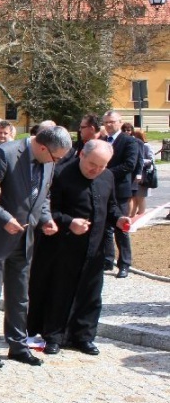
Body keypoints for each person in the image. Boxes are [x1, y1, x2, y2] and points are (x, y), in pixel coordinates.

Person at [0, 126, 72, 370]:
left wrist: (46, 219)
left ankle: (17, 344)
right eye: (56, 158)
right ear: (43, 147)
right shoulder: (5, 154)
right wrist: (4, 219)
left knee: (20, 295)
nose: (56, 162)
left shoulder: (48, 161)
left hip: (26, 237)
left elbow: (43, 196)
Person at [27, 140, 128, 355]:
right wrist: (69, 222)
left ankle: (84, 336)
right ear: (82, 154)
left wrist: (119, 220)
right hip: (61, 247)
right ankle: (53, 336)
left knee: (90, 294)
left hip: (94, 247)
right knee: (59, 292)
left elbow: (111, 207)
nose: (96, 170)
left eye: (102, 166)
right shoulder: (60, 174)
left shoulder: (107, 177)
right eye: (93, 164)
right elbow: (47, 210)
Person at [100, 110, 137, 278]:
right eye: (106, 122)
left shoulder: (129, 141)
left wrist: (105, 173)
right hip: (103, 189)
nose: (109, 125)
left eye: (112, 122)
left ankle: (124, 264)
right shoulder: (101, 141)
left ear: (120, 122)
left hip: (120, 190)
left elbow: (129, 165)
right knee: (105, 227)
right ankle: (108, 260)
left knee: (121, 228)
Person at [130, 129, 154, 216]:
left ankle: (141, 214)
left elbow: (151, 160)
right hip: (135, 175)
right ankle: (133, 214)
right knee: (134, 197)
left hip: (143, 175)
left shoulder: (146, 146)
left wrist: (139, 161)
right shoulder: (134, 145)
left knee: (140, 197)